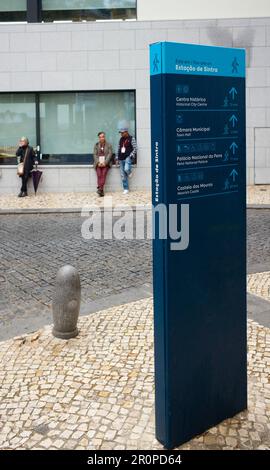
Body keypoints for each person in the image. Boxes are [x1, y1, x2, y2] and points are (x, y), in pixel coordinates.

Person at [116, 127, 137, 195]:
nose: (121, 134)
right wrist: (116, 158)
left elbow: (135, 148)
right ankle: (126, 188)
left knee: (127, 169)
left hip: (128, 157)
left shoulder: (132, 138)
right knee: (122, 175)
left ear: (126, 132)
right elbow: (118, 148)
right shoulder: (121, 139)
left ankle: (129, 172)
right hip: (121, 158)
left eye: (122, 133)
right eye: (121, 133)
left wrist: (131, 155)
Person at [93, 131, 113, 197]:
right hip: (98, 163)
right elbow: (94, 154)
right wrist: (98, 162)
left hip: (106, 163)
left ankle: (100, 189)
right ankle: (101, 190)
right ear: (98, 138)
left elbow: (110, 154)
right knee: (99, 175)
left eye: (103, 137)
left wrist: (105, 162)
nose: (102, 138)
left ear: (104, 137)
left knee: (103, 174)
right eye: (100, 137)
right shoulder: (96, 145)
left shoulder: (109, 145)